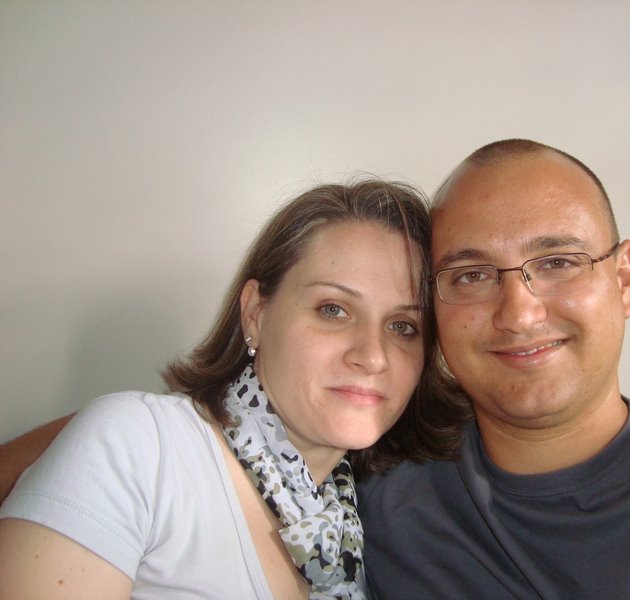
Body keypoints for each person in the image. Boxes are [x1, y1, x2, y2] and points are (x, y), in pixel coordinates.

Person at [357, 139, 630, 599]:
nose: (519, 315)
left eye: (558, 263)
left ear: (623, 280)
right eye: (472, 275)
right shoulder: (369, 484)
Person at [0, 178, 460, 600]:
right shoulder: (141, 447)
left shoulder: (356, 522)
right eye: (333, 310)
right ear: (255, 313)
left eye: (403, 326)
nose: (373, 356)